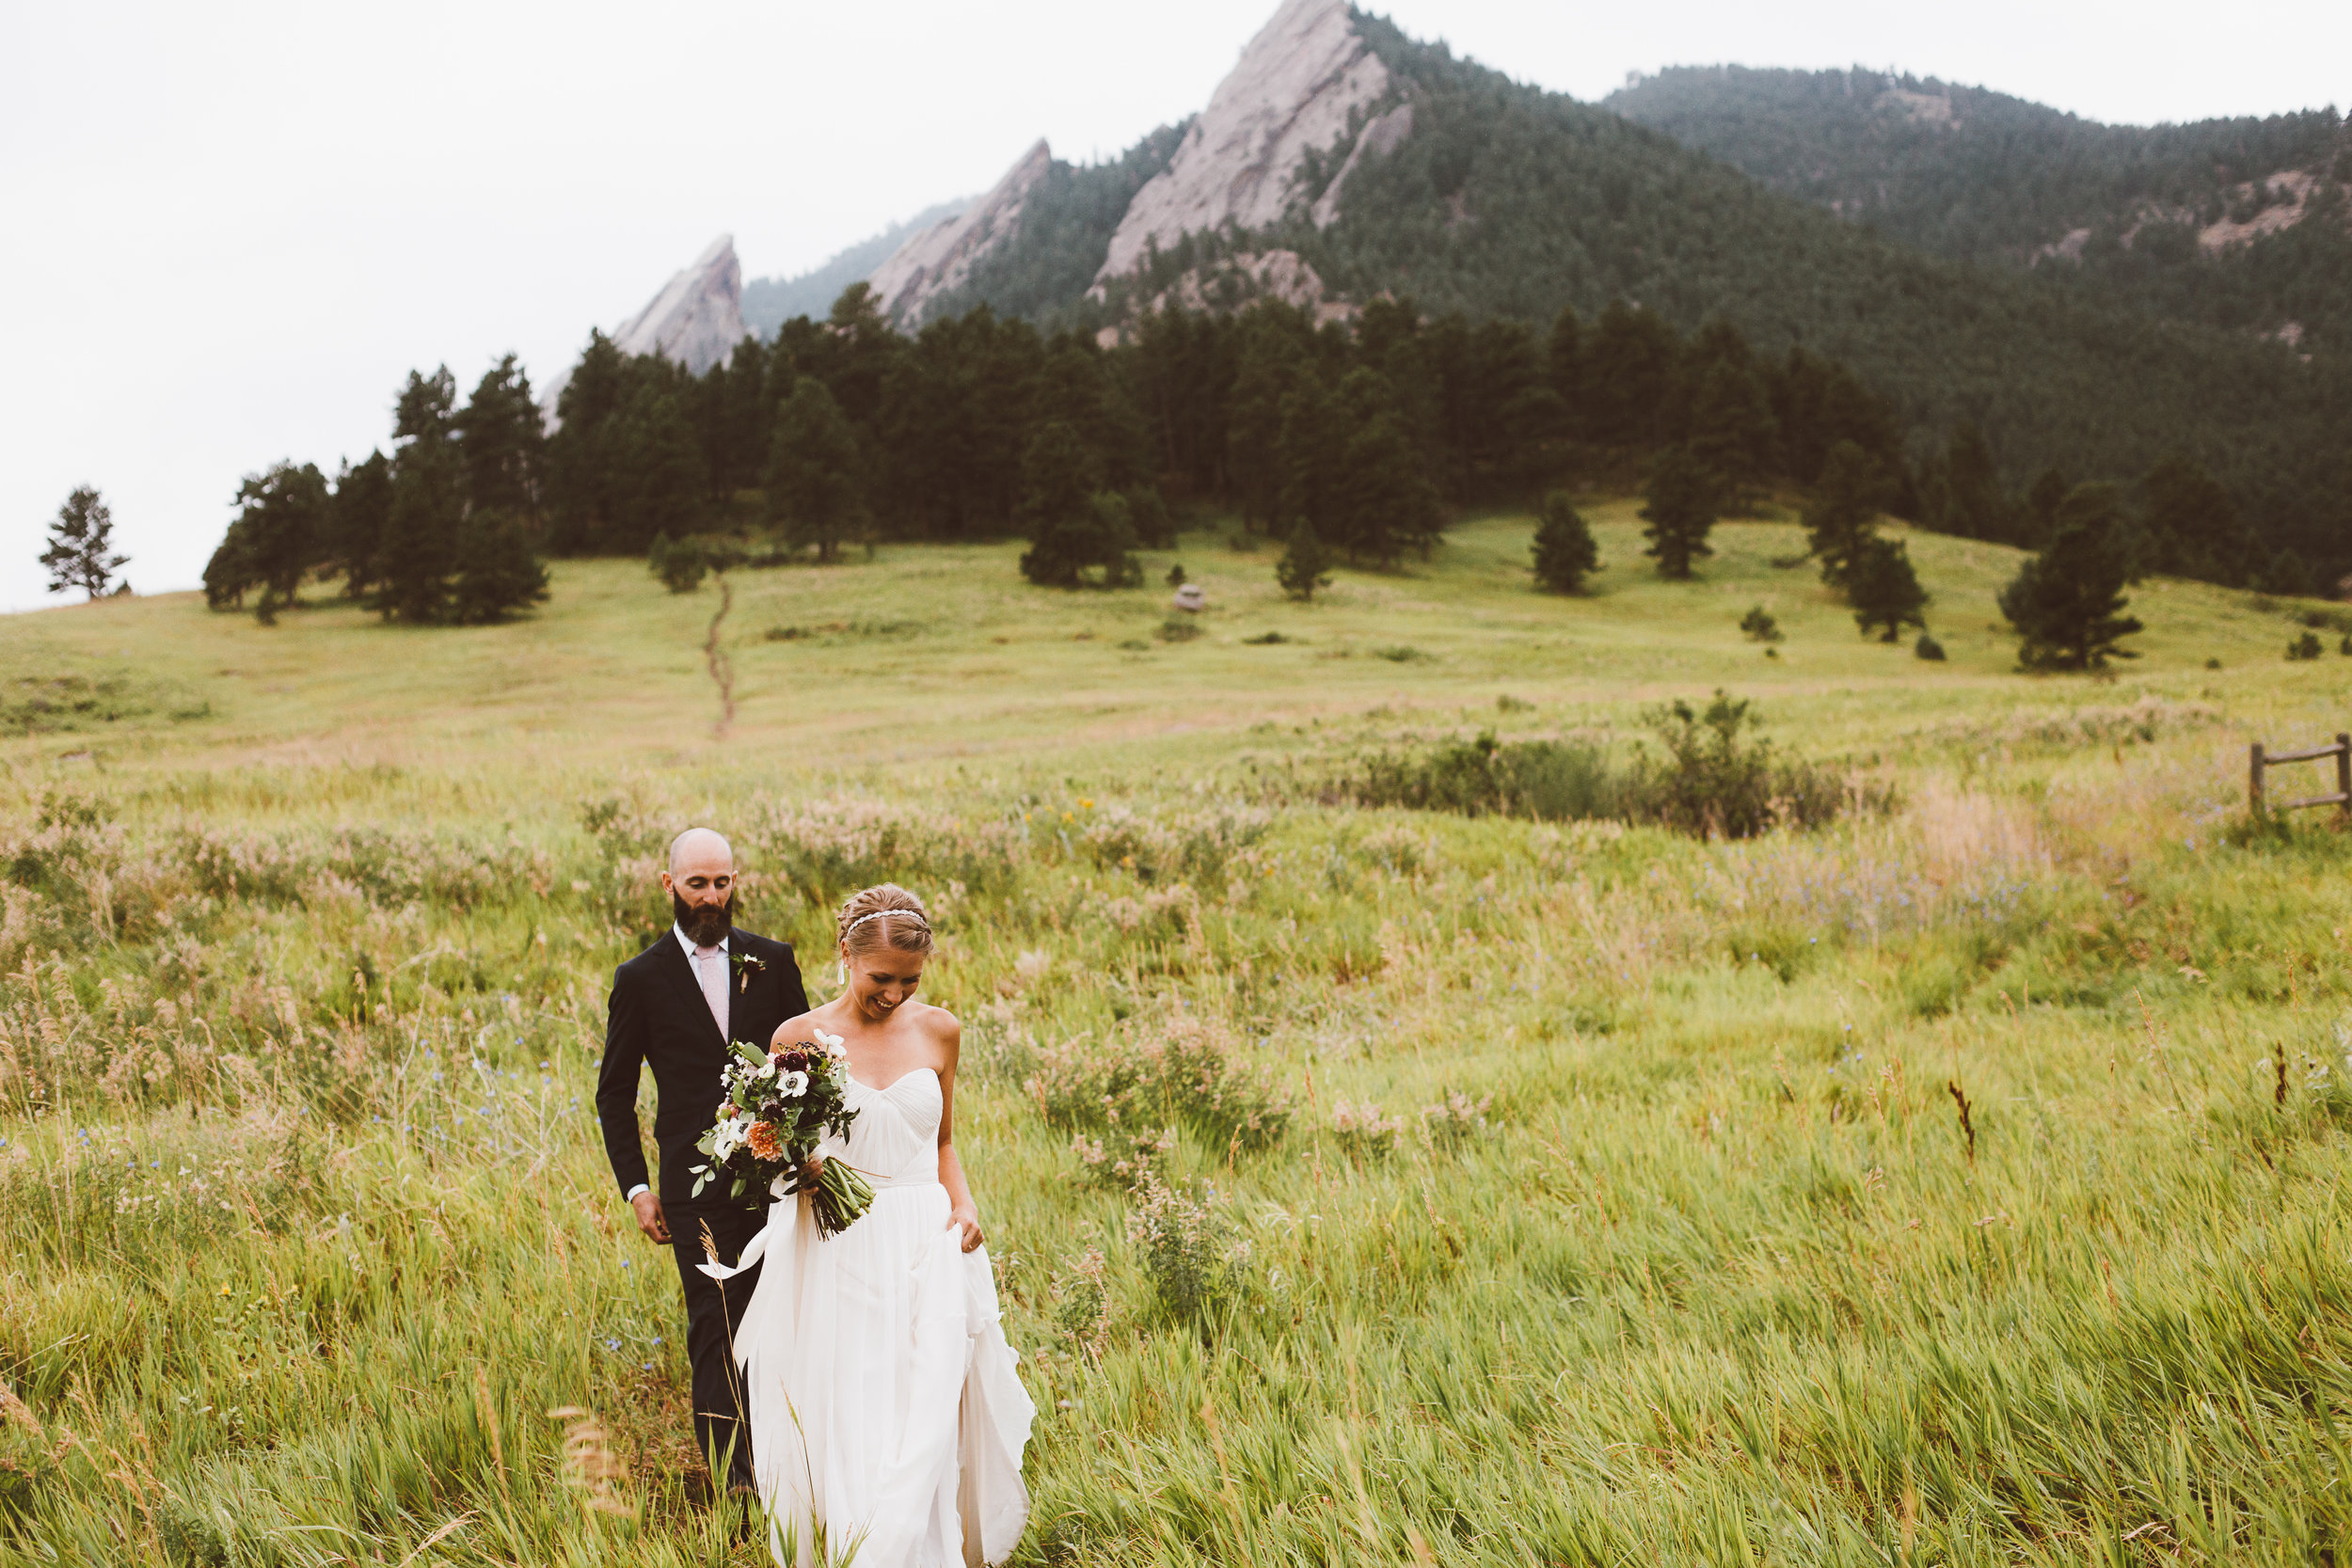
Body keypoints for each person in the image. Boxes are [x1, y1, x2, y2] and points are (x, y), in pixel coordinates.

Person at [700, 882, 1033, 1568]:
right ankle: (855, 1548)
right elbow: (774, 1141)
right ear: (844, 953)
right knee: (855, 1403)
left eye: (911, 980)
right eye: (882, 977)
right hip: (837, 1242)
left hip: (925, 1237)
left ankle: (919, 1551)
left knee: (928, 1403)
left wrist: (964, 1205)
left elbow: (942, 1144)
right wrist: (806, 1167)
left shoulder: (941, 1029)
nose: (895, 993)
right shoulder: (798, 1038)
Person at [596, 828, 811, 1497]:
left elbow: (808, 1063)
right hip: (693, 1190)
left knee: (784, 1315)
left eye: (722, 882)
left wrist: (807, 1158)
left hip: (778, 1179)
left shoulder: (773, 961)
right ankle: (734, 1482)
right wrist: (636, 1187)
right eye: (697, 883)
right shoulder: (640, 978)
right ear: (669, 886)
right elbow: (614, 1092)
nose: (712, 896)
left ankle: (791, 1462)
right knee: (715, 1325)